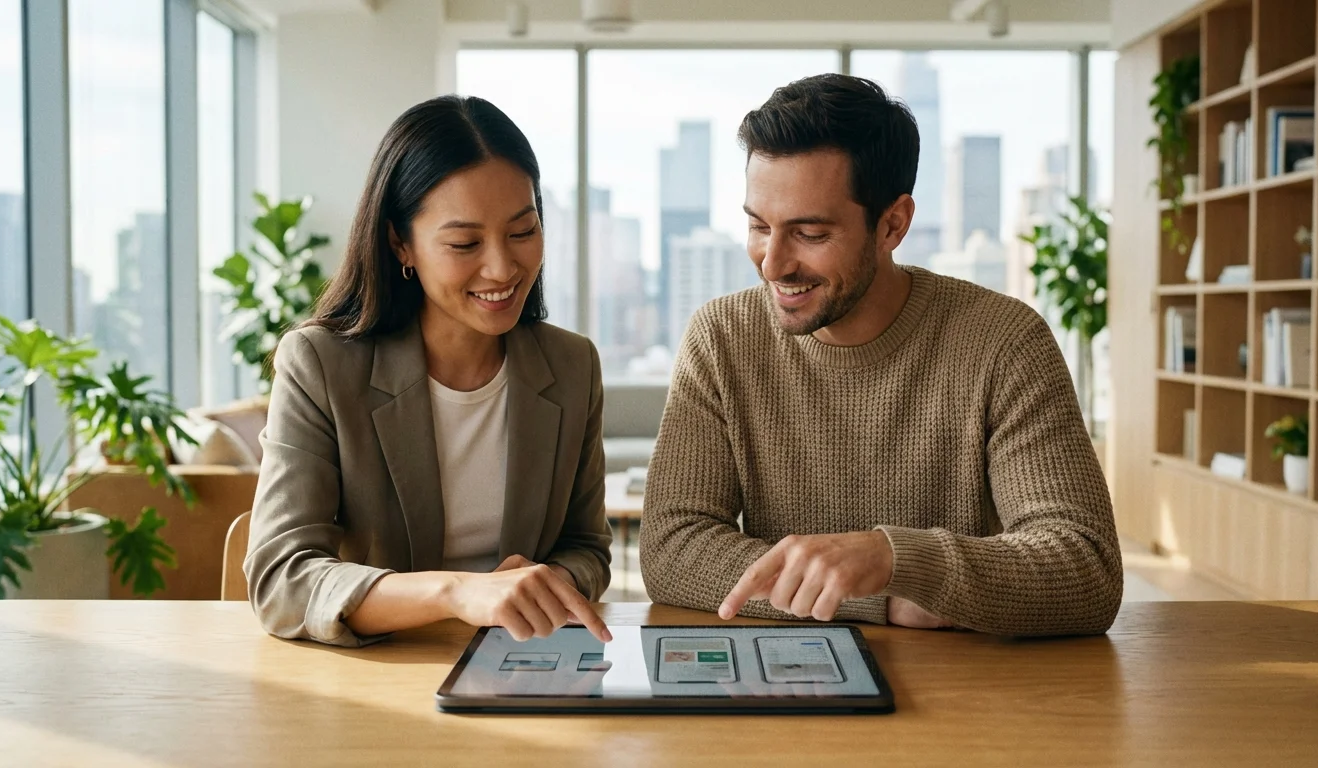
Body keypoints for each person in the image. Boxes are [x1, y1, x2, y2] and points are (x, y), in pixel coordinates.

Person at [639, 74, 1122, 636]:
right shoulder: (722, 338)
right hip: (790, 685)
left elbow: (1085, 566)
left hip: (972, 698)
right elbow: (672, 548)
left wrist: (897, 559)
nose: (771, 263)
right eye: (758, 225)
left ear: (893, 224)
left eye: (810, 233)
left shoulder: (1004, 341)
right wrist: (878, 600)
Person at [245, 95, 613, 648]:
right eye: (465, 242)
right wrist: (456, 593)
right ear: (400, 243)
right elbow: (281, 577)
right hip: (378, 674)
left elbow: (587, 546)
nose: (502, 267)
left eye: (522, 231)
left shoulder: (571, 364)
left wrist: (551, 582)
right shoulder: (320, 364)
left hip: (522, 663)